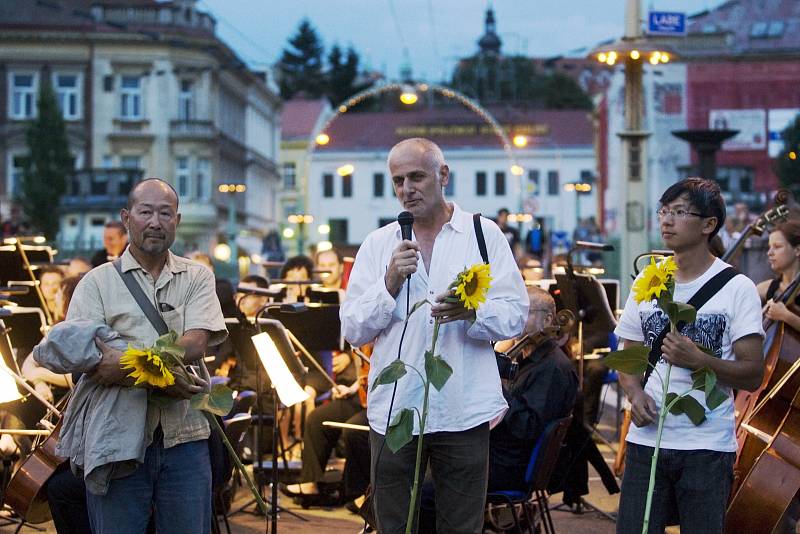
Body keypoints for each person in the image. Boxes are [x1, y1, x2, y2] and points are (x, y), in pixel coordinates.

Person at [341, 138, 528, 534]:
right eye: (397, 180)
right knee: (393, 523)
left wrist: (473, 313)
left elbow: (515, 315)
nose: (407, 189)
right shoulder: (378, 245)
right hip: (396, 408)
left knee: (461, 526)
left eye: (416, 177)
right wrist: (388, 283)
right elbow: (353, 329)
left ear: (443, 175)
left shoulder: (483, 234)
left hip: (464, 407)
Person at [66, 178, 227, 533]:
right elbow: (87, 359)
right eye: (146, 211)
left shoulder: (198, 277)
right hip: (114, 437)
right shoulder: (95, 283)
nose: (155, 221)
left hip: (185, 437)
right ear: (127, 217)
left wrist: (123, 363)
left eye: (165, 213)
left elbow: (197, 342)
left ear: (177, 221)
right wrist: (164, 371)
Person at [614, 178, 765, 534]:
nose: (666, 221)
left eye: (680, 212)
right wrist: (634, 395)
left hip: (706, 446)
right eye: (664, 211)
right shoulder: (647, 282)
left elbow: (753, 373)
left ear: (708, 225)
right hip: (646, 441)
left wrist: (700, 361)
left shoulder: (737, 288)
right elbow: (629, 355)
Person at [419, 287, 578, 531]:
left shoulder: (552, 368)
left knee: (426, 491)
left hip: (511, 466)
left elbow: (526, 427)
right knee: (428, 468)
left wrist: (493, 383)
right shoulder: (528, 360)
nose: (514, 318)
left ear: (548, 320)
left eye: (522, 312)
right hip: (503, 454)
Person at [758, 220, 800, 331]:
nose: (769, 252)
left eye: (777, 246)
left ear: (797, 250)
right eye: (769, 247)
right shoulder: (765, 288)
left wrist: (786, 316)